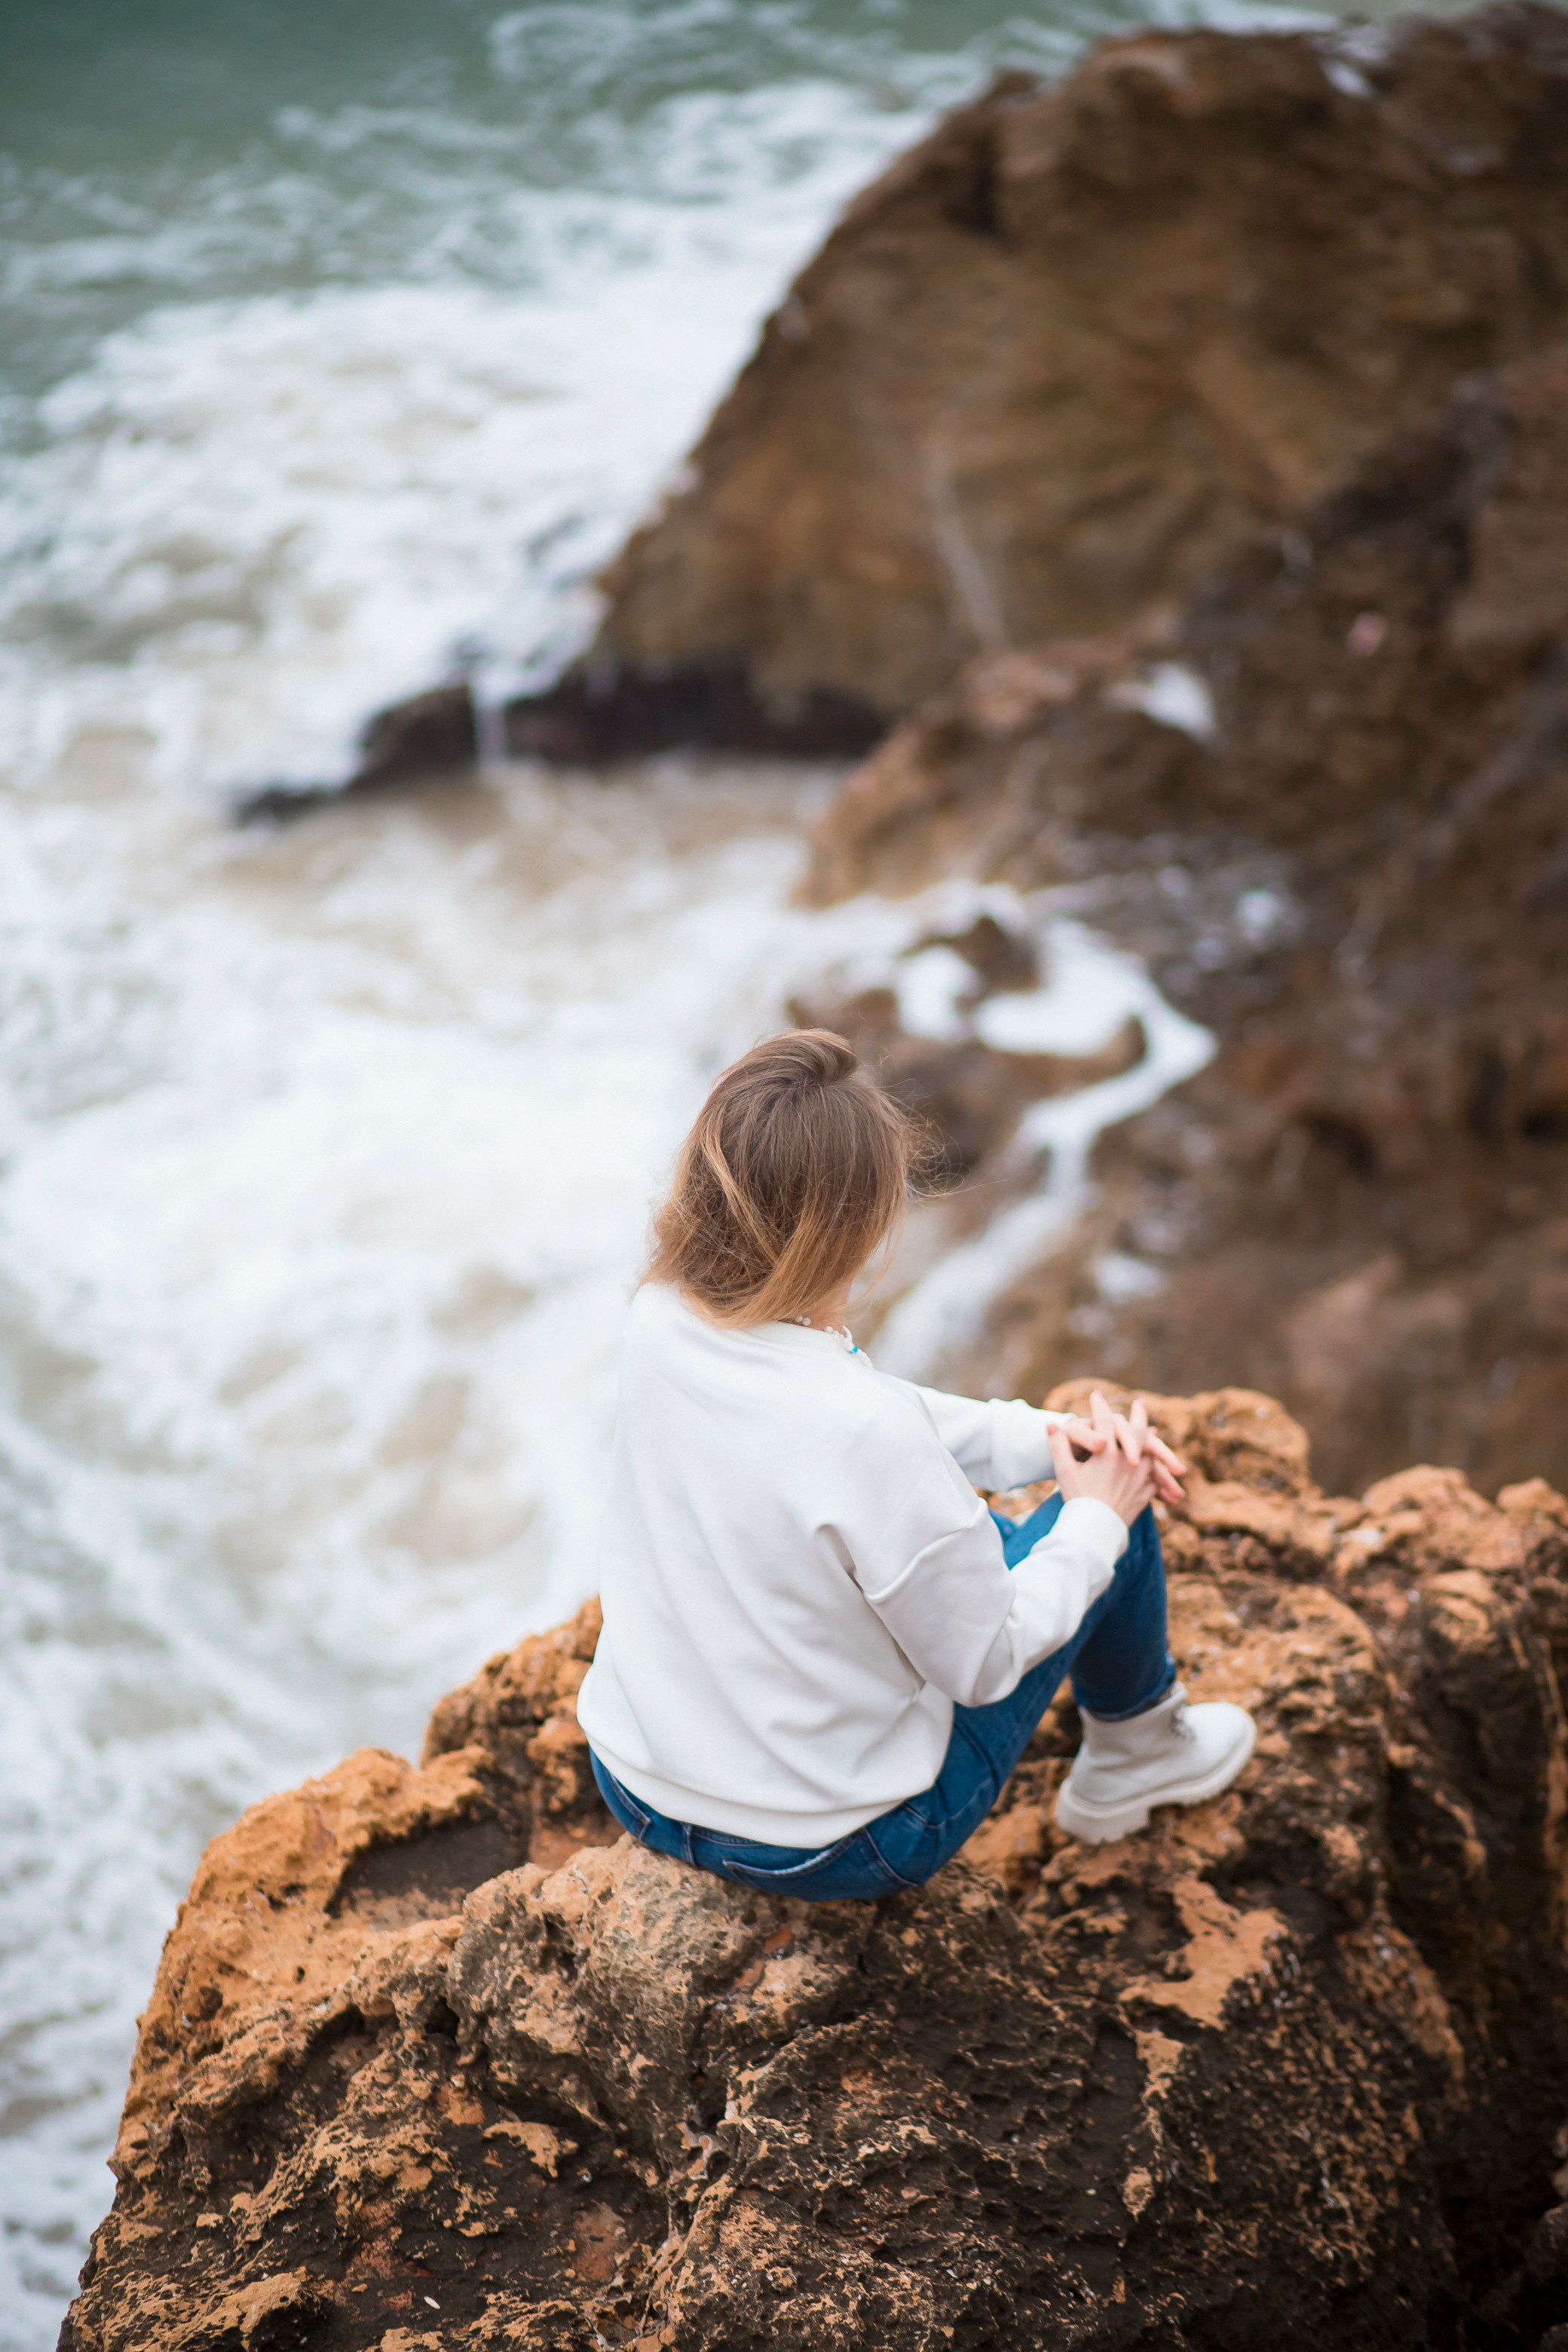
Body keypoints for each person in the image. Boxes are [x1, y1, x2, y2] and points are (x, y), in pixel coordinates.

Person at [576, 1030, 1254, 1902]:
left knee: (1021, 1522)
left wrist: (1040, 1440)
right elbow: (985, 1662)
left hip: (638, 1780)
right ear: (860, 1230)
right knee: (1108, 1515)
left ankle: (1130, 1711)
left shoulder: (660, 1320)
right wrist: (1095, 1514)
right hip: (835, 1845)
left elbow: (855, 1421)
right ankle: (1138, 1752)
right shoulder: (864, 1436)